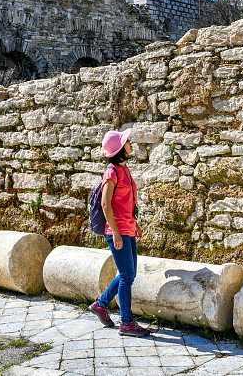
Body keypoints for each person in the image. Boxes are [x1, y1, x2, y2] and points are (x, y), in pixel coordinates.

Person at [88, 129, 150, 337]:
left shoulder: (124, 169)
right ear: (120, 149)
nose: (130, 143)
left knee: (129, 274)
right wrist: (114, 232)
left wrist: (135, 224)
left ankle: (101, 304)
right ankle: (126, 322)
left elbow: (127, 203)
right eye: (127, 141)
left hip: (127, 228)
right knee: (126, 275)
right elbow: (106, 204)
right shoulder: (111, 172)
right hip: (117, 231)